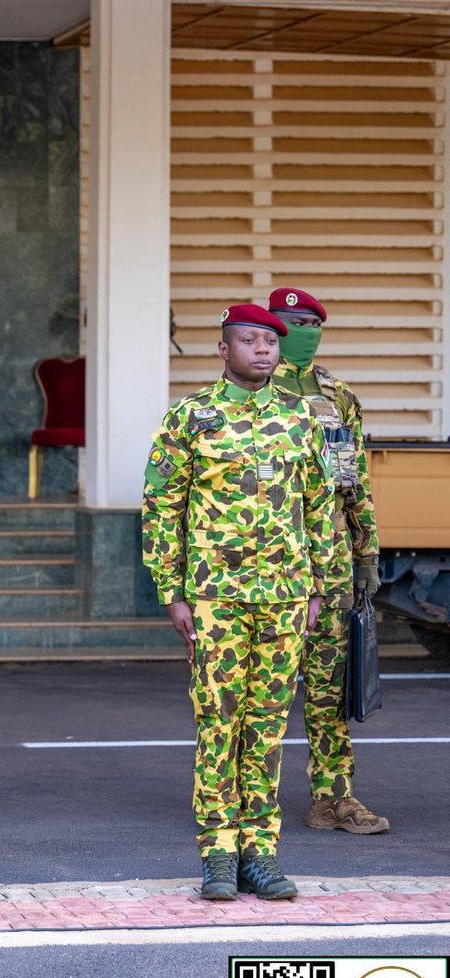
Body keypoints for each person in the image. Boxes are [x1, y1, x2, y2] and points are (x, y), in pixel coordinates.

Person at [142, 303, 345, 903]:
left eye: (270, 342)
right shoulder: (191, 418)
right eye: (249, 340)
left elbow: (320, 509)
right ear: (223, 349)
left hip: (284, 595)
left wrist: (319, 586)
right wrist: (171, 590)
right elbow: (161, 507)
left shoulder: (300, 420)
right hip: (214, 597)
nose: (262, 350)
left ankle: (262, 853)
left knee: (267, 728)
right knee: (218, 723)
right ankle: (218, 857)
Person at [266, 287, 389, 835]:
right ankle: (246, 804)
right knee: (258, 688)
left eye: (309, 322)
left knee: (327, 687)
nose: (301, 330)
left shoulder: (337, 397)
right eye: (289, 321)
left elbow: (353, 480)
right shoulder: (247, 390)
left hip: (331, 561)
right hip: (263, 561)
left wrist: (366, 553)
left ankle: (332, 798)